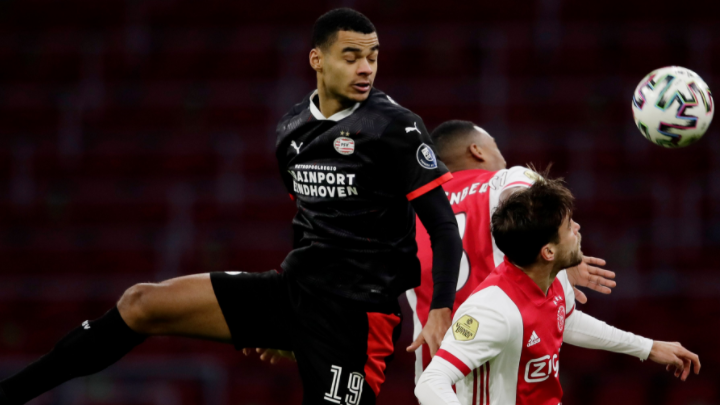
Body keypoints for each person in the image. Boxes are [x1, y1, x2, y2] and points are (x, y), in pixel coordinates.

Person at [0, 8, 463, 405]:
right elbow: (309, 222)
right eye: (352, 56)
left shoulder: (395, 128)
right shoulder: (291, 128)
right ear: (317, 60)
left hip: (355, 317)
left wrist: (441, 308)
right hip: (293, 292)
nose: (366, 68)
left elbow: (443, 227)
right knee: (141, 303)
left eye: (373, 57)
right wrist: (287, 329)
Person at [414, 176, 700, 405]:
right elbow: (431, 382)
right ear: (548, 252)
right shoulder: (492, 310)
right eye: (568, 226)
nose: (577, 228)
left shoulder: (555, 279)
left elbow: (565, 319)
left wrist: (649, 348)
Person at [407, 120, 617, 379]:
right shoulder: (506, 179)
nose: (503, 157)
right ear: (477, 151)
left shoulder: (409, 211)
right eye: (495, 146)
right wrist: (560, 253)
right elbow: (529, 207)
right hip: (506, 372)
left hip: (438, 371)